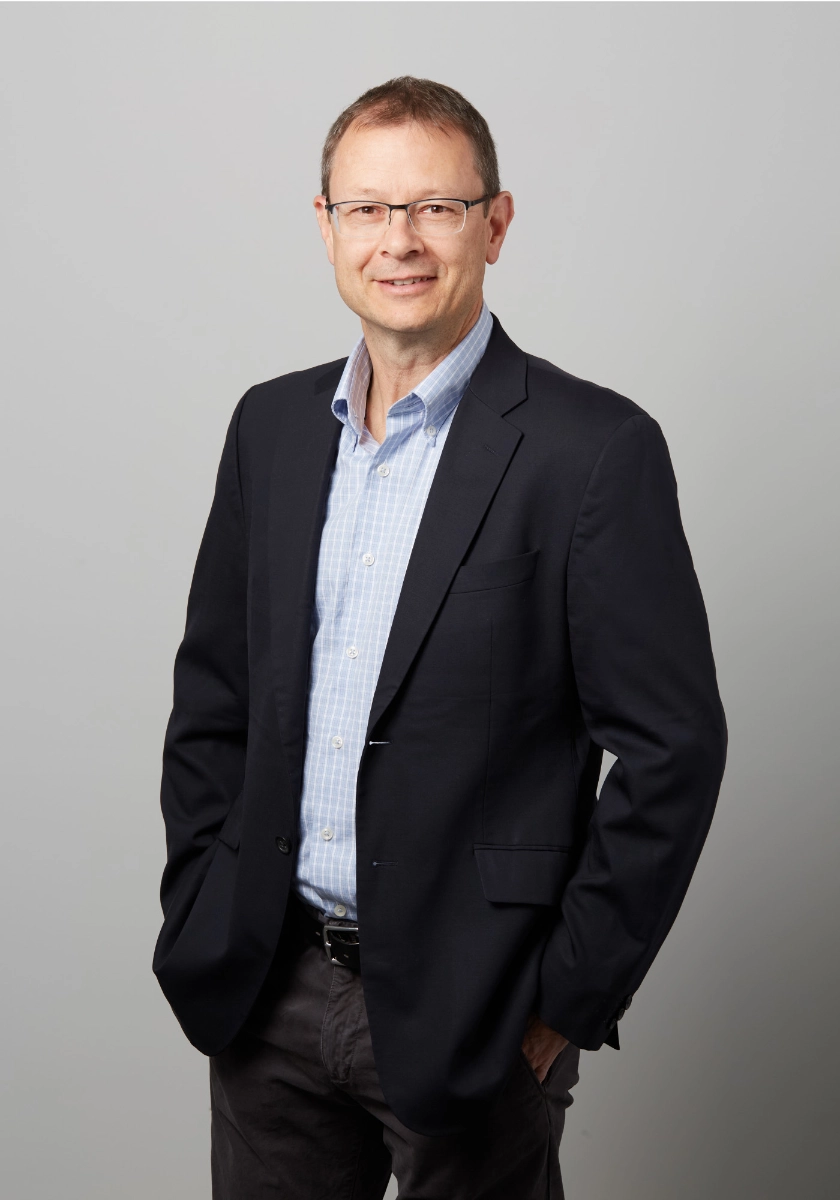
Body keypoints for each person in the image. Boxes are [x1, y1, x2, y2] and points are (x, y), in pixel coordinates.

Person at [153, 76, 727, 1199]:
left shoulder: (592, 451)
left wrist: (567, 999)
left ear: (495, 225)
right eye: (368, 208)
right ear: (325, 225)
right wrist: (202, 904)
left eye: (437, 208)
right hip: (267, 986)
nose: (399, 240)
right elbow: (215, 698)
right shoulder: (270, 428)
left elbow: (675, 749)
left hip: (481, 1010)